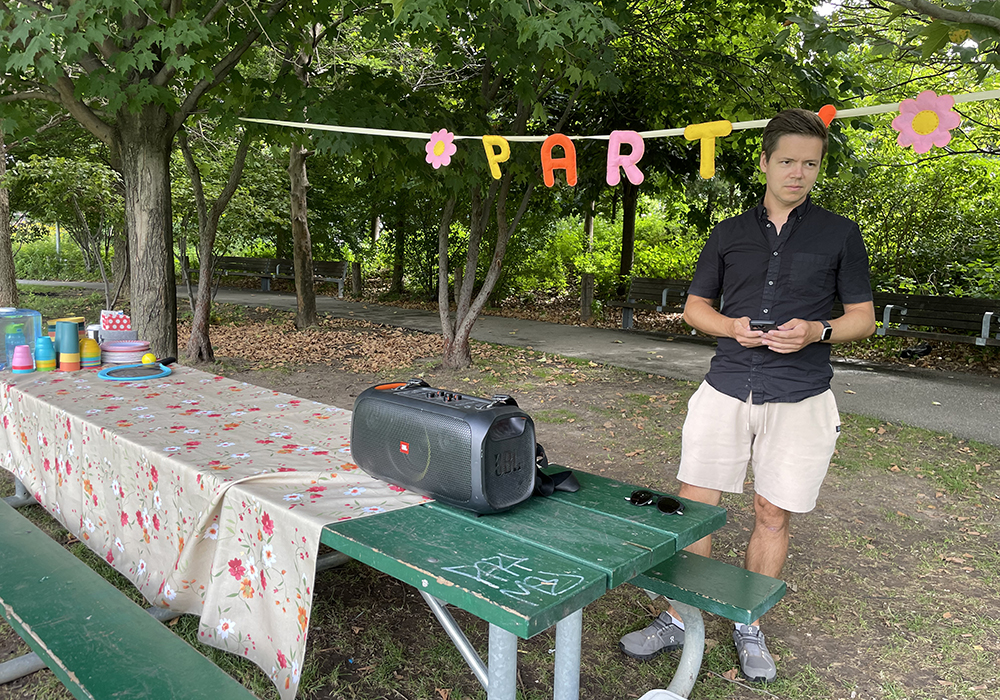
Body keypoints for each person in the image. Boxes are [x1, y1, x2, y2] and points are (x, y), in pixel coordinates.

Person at [618, 108, 876, 682]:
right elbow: (696, 308)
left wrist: (817, 331)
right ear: (764, 162)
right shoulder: (728, 233)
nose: (798, 173)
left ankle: (747, 623)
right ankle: (679, 617)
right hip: (727, 386)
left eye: (810, 164)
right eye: (787, 161)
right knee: (694, 509)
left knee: (772, 511)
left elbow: (863, 318)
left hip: (801, 394)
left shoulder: (839, 233)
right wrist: (731, 326)